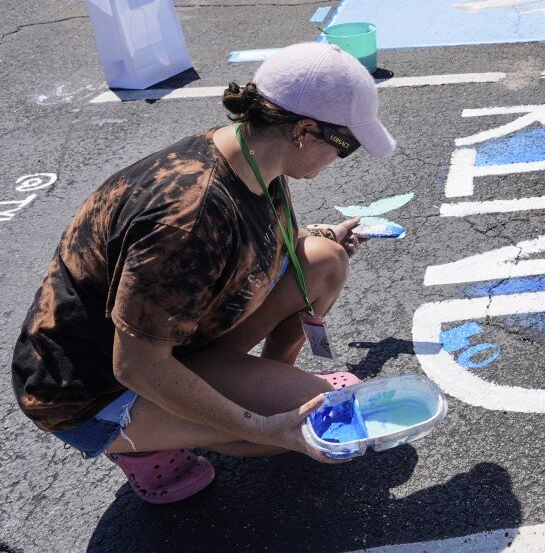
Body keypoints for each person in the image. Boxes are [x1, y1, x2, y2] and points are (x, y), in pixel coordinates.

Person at [11, 42, 396, 504]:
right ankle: (147, 443)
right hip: (94, 387)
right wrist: (264, 426)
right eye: (346, 145)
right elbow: (134, 363)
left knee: (321, 259)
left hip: (165, 341)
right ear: (305, 130)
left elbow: (272, 247)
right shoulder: (188, 216)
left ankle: (247, 389)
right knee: (311, 430)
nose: (341, 157)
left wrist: (323, 234)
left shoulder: (252, 156)